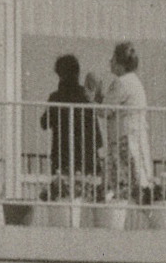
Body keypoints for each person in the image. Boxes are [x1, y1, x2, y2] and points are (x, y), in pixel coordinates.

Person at [99, 40, 154, 200]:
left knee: (124, 181)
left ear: (120, 63)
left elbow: (105, 110)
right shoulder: (134, 81)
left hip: (124, 139)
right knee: (137, 177)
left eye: (113, 58)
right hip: (134, 136)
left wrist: (92, 101)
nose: (110, 62)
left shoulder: (121, 82)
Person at [41, 53, 97, 190]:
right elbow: (94, 126)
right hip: (85, 153)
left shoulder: (56, 97)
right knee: (86, 191)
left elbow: (44, 123)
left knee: (62, 191)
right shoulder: (85, 95)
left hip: (62, 153)